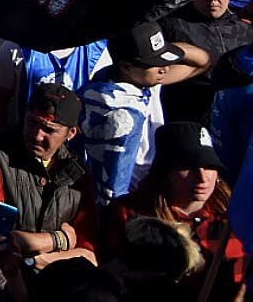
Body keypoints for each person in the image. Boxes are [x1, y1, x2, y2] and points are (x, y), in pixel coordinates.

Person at [0, 84, 99, 270]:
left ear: (71, 133)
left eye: (49, 130)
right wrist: (60, 239)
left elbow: (87, 251)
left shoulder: (78, 174)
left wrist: (40, 260)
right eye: (32, 122)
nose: (37, 135)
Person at [102, 121, 246, 298]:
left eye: (209, 166)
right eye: (188, 168)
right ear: (165, 172)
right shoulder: (129, 215)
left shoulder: (235, 217)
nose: (202, 177)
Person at [79, 20, 214, 203]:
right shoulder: (105, 101)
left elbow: (202, 61)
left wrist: (161, 48)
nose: (164, 69)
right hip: (127, 197)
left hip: (152, 189)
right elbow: (113, 180)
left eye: (163, 61)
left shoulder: (144, 79)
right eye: (154, 63)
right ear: (126, 67)